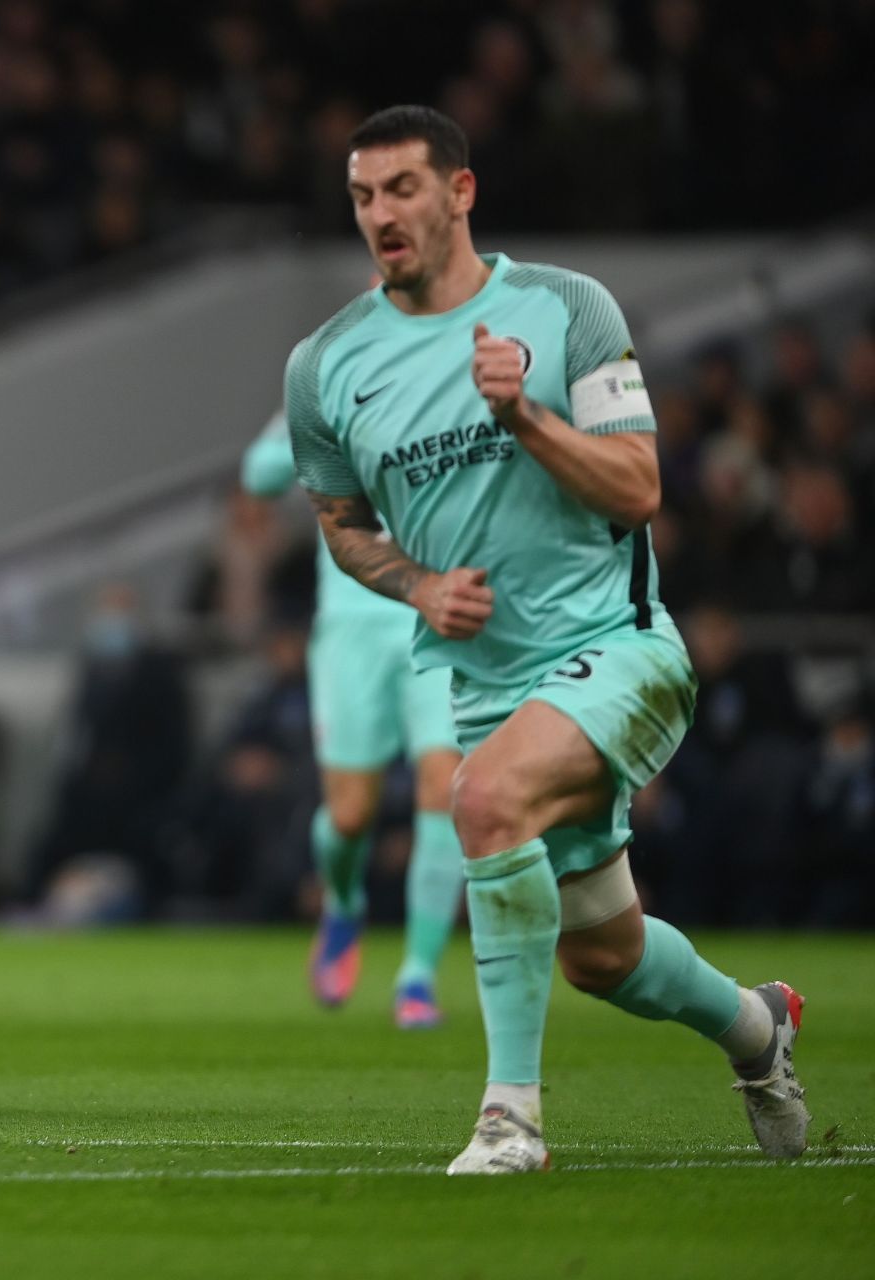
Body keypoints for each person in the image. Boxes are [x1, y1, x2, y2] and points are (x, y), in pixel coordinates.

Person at [285, 104, 808, 1174]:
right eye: (362, 196)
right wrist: (419, 584)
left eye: (403, 189)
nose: (380, 214)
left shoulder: (568, 306)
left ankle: (509, 1120)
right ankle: (757, 1028)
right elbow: (342, 528)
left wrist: (526, 417)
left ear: (460, 192)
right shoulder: (326, 364)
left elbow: (641, 485)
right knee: (604, 956)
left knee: (479, 800)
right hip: (489, 685)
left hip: (618, 647)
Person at [243, 409, 465, 1028]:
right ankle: (343, 903)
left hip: (437, 613)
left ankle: (417, 977)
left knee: (444, 793)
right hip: (352, 630)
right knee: (349, 814)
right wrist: (310, 421)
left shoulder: (452, 379)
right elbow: (258, 477)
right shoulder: (332, 383)